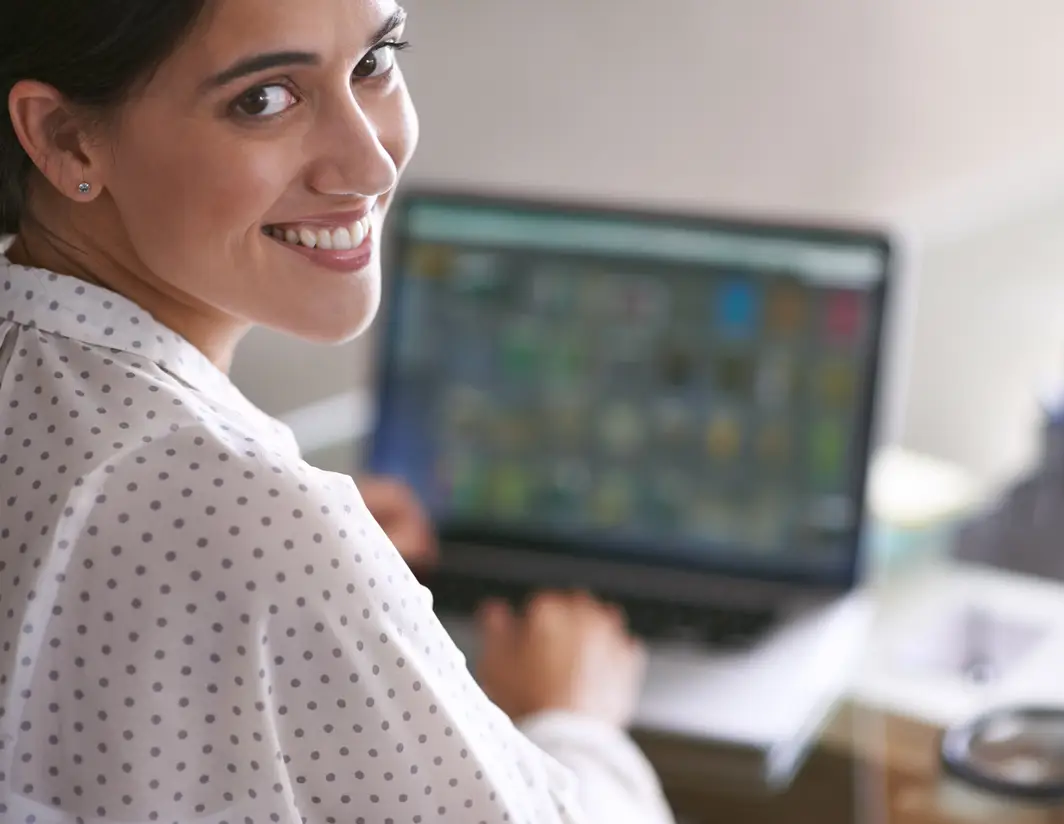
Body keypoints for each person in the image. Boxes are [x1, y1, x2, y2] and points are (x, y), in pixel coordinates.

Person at [0, 2, 675, 823]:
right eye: (264, 99)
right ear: (66, 137)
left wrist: (314, 582)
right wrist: (574, 720)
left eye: (375, 61)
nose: (371, 162)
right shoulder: (253, 526)